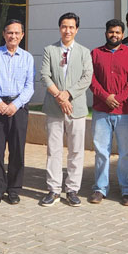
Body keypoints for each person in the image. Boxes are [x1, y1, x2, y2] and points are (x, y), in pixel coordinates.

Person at [39, 13, 94, 207]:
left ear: (77, 29)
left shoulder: (84, 52)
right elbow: (45, 75)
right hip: (54, 108)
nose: (67, 30)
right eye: (64, 26)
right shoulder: (50, 50)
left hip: (76, 107)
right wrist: (59, 96)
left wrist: (68, 94)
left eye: (71, 27)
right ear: (59, 28)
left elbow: (87, 77)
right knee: (54, 150)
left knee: (76, 150)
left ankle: (72, 189)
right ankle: (53, 189)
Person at [0, 19, 35, 206]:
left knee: (17, 148)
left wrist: (16, 104)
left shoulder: (27, 57)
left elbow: (29, 86)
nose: (13, 36)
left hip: (18, 108)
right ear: (4, 34)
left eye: (17, 33)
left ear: (22, 35)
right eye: (9, 32)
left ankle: (13, 188)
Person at [89, 19, 128, 206]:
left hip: (125, 111)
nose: (114, 35)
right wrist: (105, 97)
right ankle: (100, 188)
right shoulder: (95, 53)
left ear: (122, 34)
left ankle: (127, 190)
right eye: (111, 32)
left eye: (118, 32)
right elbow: (90, 79)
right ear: (106, 33)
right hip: (101, 111)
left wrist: (118, 97)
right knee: (102, 152)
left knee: (126, 152)